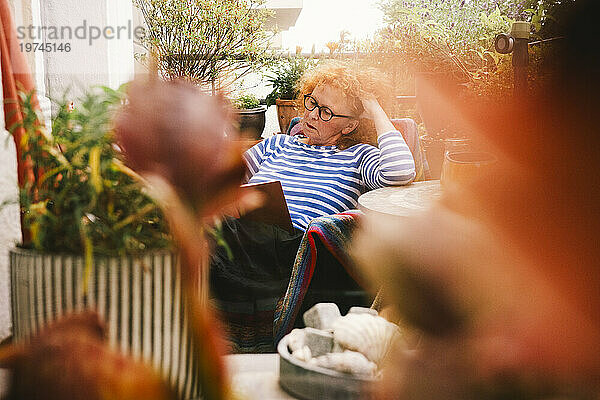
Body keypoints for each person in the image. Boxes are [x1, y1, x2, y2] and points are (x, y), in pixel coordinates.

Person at [210, 61, 416, 352]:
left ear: (350, 125)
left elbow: (400, 171)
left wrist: (372, 104)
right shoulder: (276, 145)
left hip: (300, 251)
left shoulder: (358, 157)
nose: (311, 115)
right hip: (243, 236)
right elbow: (220, 181)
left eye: (326, 112)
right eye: (312, 102)